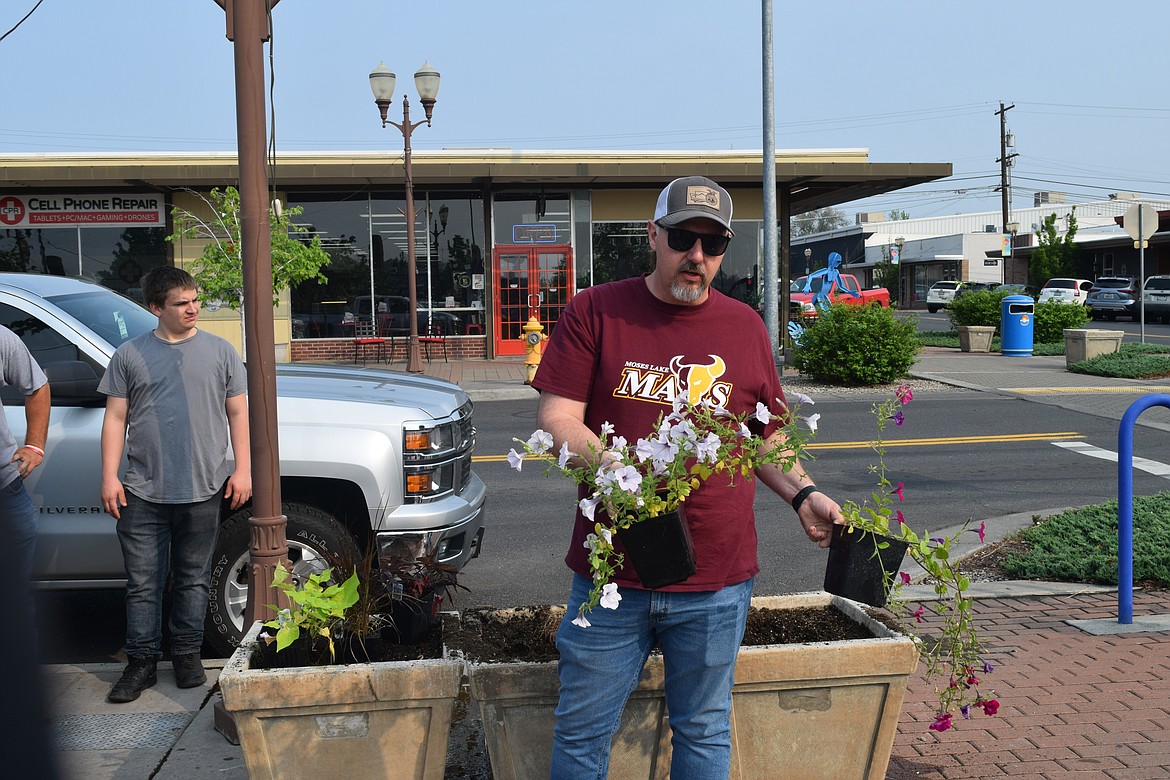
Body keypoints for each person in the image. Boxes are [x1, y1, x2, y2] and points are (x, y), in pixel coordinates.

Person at [531, 176, 845, 778]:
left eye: (713, 243)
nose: (696, 256)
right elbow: (556, 420)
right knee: (581, 733)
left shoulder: (745, 326)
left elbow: (764, 435)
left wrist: (803, 494)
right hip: (613, 572)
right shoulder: (594, 311)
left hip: (717, 579)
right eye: (682, 237)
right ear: (653, 235)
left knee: (702, 731)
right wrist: (627, 481)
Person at [99, 266, 251, 704]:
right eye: (181, 303)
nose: (192, 308)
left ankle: (186, 655)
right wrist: (108, 477)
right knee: (143, 584)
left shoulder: (221, 352)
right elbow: (114, 418)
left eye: (194, 299)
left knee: (193, 579)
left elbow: (238, 413)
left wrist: (242, 470)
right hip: (141, 491)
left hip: (203, 488)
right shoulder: (130, 355)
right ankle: (141, 663)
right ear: (155, 308)